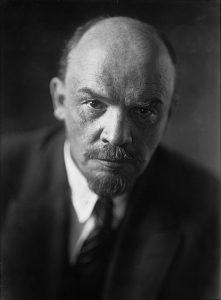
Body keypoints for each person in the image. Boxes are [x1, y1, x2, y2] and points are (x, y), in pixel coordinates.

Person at [1, 16, 219, 300]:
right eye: (94, 104)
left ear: (168, 115)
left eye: (143, 111)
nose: (116, 136)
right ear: (60, 101)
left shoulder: (210, 208)